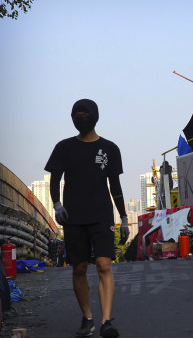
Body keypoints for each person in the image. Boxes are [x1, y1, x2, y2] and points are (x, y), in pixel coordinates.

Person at [45, 99, 129, 338]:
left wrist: (123, 217)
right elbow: (54, 178)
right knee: (79, 267)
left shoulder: (110, 149)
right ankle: (87, 317)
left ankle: (106, 321)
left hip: (101, 213)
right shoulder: (63, 147)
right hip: (73, 215)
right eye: (76, 114)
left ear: (94, 117)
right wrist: (57, 204)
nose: (80, 118)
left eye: (84, 114)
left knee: (104, 264)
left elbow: (116, 186)